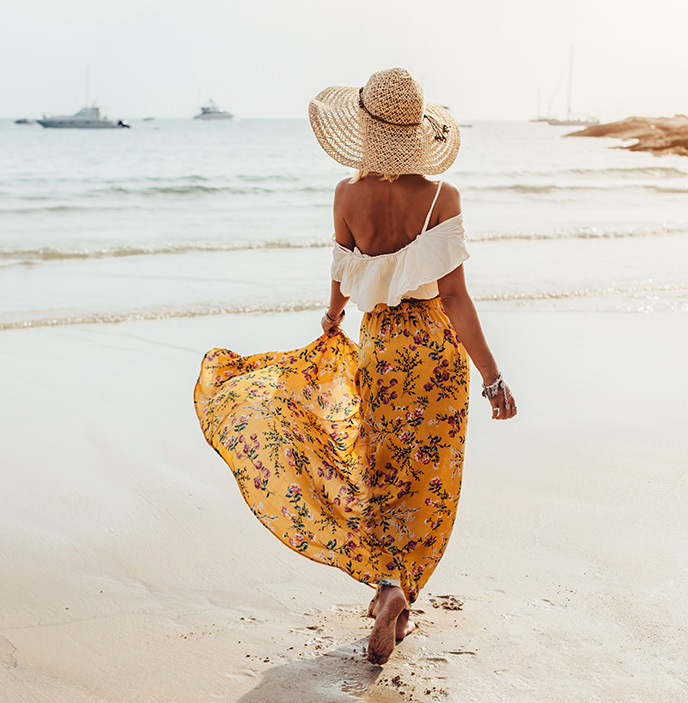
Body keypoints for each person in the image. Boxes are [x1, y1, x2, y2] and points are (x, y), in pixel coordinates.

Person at [194, 68, 517, 666]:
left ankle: (385, 585)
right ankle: (400, 589)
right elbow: (453, 298)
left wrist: (332, 318)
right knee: (429, 475)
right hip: (434, 352)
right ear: (418, 135)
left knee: (381, 466)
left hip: (379, 346)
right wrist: (492, 376)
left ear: (365, 133)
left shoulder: (346, 196)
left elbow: (343, 273)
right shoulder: (442, 198)